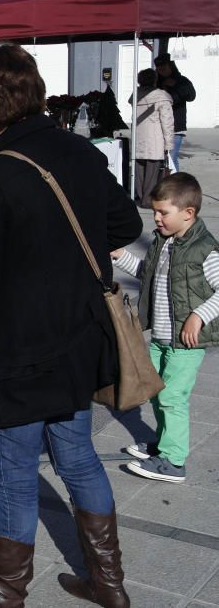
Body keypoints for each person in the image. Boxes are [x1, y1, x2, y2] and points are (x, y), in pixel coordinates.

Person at [0, 45, 141, 608]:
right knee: (78, 456)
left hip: (17, 350)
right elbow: (127, 221)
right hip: (79, 336)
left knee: (14, 475)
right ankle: (111, 587)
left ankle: (4, 599)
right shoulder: (80, 151)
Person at [111, 173, 219, 483]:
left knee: (173, 397)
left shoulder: (204, 250)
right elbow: (148, 274)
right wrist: (121, 257)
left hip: (186, 343)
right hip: (161, 337)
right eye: (155, 212)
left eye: (163, 213)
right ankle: (163, 444)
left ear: (188, 213)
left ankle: (174, 461)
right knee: (158, 394)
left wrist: (198, 315)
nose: (156, 219)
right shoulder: (164, 241)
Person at [131, 68, 174, 208]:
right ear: (155, 79)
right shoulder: (161, 96)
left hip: (138, 139)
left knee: (140, 172)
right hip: (155, 141)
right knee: (152, 174)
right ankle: (148, 201)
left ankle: (141, 198)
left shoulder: (136, 95)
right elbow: (167, 122)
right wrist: (169, 144)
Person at [154, 52, 196, 172]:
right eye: (159, 67)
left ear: (170, 66)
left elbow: (191, 96)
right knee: (159, 159)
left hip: (175, 127)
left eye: (164, 66)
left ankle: (175, 186)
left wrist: (175, 85)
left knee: (171, 158)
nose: (161, 69)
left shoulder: (181, 80)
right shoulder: (156, 82)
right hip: (158, 126)